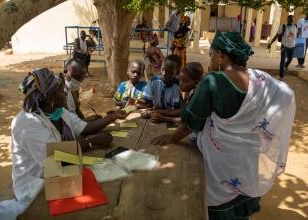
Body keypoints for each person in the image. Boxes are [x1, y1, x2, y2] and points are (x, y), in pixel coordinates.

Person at [153, 32, 296, 220]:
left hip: (222, 160)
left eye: (211, 54)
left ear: (221, 55)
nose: (209, 59)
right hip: (248, 156)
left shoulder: (213, 81)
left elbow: (192, 122)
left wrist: (171, 138)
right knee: (240, 195)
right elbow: (286, 93)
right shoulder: (260, 78)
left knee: (220, 199)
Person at [12, 68, 128, 202]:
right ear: (50, 98)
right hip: (36, 189)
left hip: (61, 174)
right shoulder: (27, 123)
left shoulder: (58, 111)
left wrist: (112, 117)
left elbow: (83, 127)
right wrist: (91, 142)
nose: (66, 94)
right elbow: (55, 155)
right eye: (61, 91)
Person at [152, 62, 204, 145]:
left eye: (185, 81)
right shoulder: (190, 92)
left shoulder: (198, 96)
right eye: (180, 80)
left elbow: (187, 122)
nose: (181, 84)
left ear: (197, 82)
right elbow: (183, 111)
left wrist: (162, 118)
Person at [138, 55, 181, 124]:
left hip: (168, 118)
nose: (164, 74)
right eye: (163, 69)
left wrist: (153, 112)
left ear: (177, 72)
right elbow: (147, 102)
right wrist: (136, 101)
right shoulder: (153, 81)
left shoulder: (178, 86)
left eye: (169, 72)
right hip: (156, 116)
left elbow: (176, 111)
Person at [268, 15, 298, 79]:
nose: (291, 21)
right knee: (282, 61)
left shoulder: (295, 26)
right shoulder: (283, 26)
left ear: (293, 20)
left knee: (290, 59)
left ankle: (285, 66)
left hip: (292, 46)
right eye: (289, 20)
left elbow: (296, 35)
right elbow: (277, 35)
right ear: (287, 20)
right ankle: (281, 76)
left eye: (292, 20)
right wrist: (270, 43)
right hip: (285, 46)